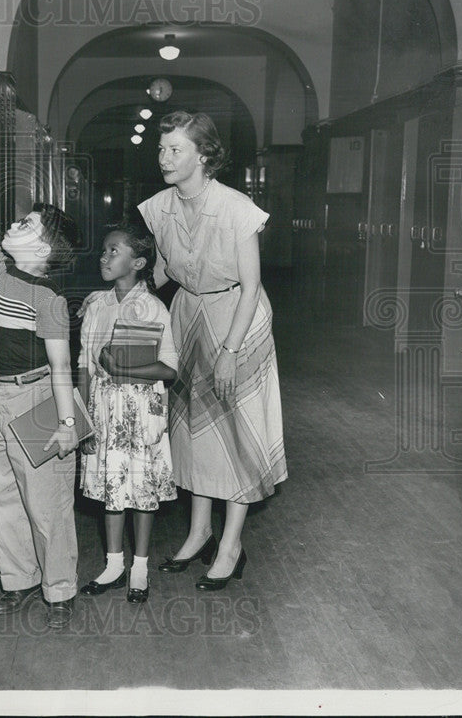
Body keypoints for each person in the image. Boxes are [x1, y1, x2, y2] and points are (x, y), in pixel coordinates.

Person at [137, 111, 287, 591]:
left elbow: (251, 285)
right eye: (161, 149)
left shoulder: (237, 208)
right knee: (193, 432)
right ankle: (200, 531)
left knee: (236, 432)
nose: (164, 158)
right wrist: (121, 297)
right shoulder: (158, 207)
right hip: (188, 315)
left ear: (204, 155)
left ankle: (231, 545)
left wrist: (229, 350)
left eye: (175, 150)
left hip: (236, 319)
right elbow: (161, 271)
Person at [0, 133, 82, 629]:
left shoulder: (47, 300)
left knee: (46, 501)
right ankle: (19, 580)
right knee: (1, 494)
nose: (11, 223)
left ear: (44, 248)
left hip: (37, 396)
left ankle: (60, 588)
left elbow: (63, 365)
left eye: (25, 224)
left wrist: (67, 423)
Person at [77, 222, 178, 604]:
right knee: (111, 491)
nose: (104, 257)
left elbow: (169, 369)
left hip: (141, 411)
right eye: (103, 251)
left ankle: (140, 567)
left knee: (141, 490)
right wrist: (83, 420)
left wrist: (123, 371)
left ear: (137, 262)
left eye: (113, 251)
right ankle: (113, 564)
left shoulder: (152, 307)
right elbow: (85, 365)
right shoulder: (97, 305)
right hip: (103, 409)